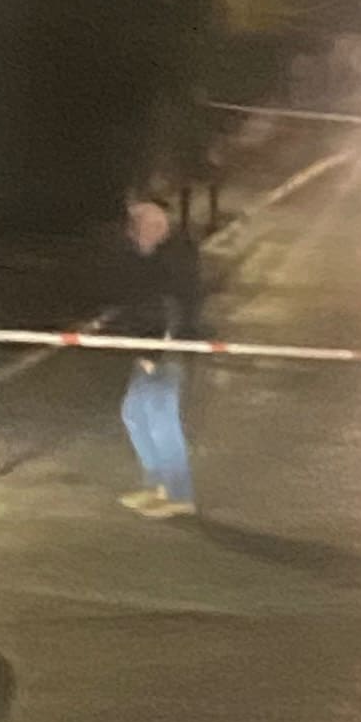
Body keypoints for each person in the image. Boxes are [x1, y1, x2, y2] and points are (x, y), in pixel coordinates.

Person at [115, 199, 201, 518]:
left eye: (141, 225)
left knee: (161, 419)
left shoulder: (172, 258)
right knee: (135, 413)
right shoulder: (152, 257)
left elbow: (174, 307)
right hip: (150, 347)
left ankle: (179, 494)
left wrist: (156, 350)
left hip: (164, 350)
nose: (136, 232)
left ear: (157, 226)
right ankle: (157, 486)